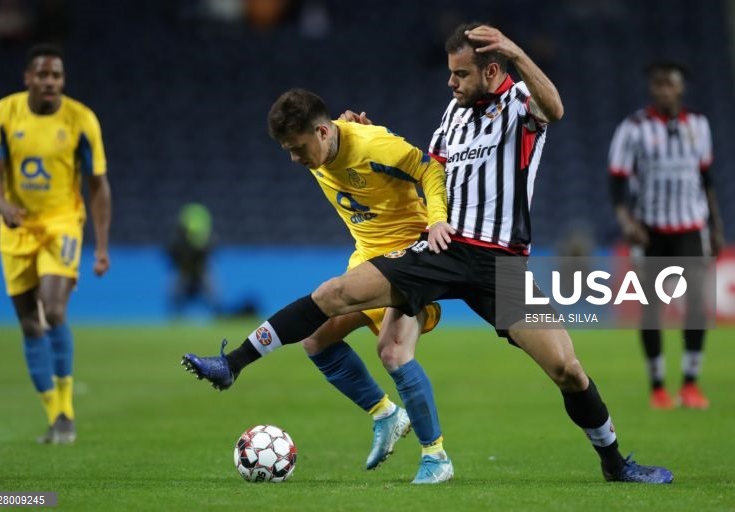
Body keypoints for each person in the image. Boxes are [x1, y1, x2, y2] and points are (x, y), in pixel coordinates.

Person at [184, 23, 674, 484]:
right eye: (450, 71)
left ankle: (615, 464)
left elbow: (557, 109)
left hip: (500, 262)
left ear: (491, 70)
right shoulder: (453, 114)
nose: (451, 82)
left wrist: (517, 53)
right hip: (440, 245)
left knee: (566, 368)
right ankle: (237, 363)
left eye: (461, 73)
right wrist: (361, 132)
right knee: (337, 295)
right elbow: (426, 167)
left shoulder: (521, 102)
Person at [183, 88, 456, 483]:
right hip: (367, 258)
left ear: (323, 133)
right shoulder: (328, 142)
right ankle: (386, 415)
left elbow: (429, 168)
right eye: (287, 150)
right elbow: (341, 147)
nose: (295, 159)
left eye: (298, 147)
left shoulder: (373, 144)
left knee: (393, 351)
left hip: (408, 256)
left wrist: (435, 220)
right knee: (317, 342)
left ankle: (437, 458)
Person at [0, 44, 112, 444]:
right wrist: (2, 204)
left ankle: (68, 414)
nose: (50, 82)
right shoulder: (4, 114)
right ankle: (54, 415)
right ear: (28, 78)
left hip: (63, 225)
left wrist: (102, 246)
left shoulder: (81, 119)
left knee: (53, 312)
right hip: (16, 228)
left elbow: (98, 185)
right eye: (42, 75)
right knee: (27, 323)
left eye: (56, 75)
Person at [608, 62, 724, 410]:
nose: (663, 90)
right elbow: (616, 181)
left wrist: (716, 227)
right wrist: (627, 221)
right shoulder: (633, 128)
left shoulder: (699, 125)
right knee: (652, 309)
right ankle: (657, 385)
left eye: (669, 84)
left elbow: (706, 179)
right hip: (650, 230)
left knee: (695, 308)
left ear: (681, 88)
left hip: (691, 226)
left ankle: (690, 383)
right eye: (657, 84)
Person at [167, 202, 225, 318]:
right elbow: (171, 255)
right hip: (184, 271)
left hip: (201, 271)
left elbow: (212, 251)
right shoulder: (177, 241)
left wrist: (200, 249)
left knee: (214, 294)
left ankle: (219, 315)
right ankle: (175, 318)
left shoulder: (209, 239)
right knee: (175, 293)